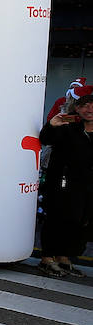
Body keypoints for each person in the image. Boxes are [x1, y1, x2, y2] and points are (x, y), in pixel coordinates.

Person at [37, 93, 92, 277]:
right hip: (62, 182)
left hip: (85, 185)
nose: (89, 109)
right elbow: (46, 139)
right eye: (84, 105)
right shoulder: (67, 125)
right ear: (77, 108)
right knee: (56, 218)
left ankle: (63, 257)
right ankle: (47, 258)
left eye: (92, 105)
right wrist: (51, 125)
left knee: (78, 221)